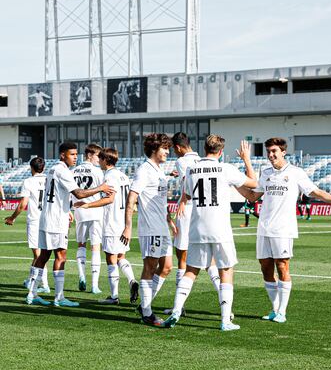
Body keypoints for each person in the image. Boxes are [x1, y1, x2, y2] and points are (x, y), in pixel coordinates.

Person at [238, 137, 331, 323]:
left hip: (283, 229)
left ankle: (282, 312)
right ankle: (275, 310)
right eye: (268, 152)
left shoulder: (295, 173)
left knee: (282, 266)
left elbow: (315, 192)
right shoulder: (265, 172)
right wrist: (231, 182)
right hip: (264, 228)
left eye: (274, 151)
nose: (271, 155)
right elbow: (252, 196)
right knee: (265, 268)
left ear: (283, 152)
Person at [162, 136, 257, 331]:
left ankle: (176, 311)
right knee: (226, 271)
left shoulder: (191, 169)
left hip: (197, 227)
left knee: (191, 270)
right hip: (220, 228)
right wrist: (246, 159)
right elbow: (253, 184)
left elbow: (186, 194)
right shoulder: (226, 168)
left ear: (204, 148)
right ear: (220, 152)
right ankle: (225, 320)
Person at [26, 142, 114, 307]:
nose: (75, 157)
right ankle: (59, 297)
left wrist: (68, 209)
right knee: (61, 256)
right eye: (71, 154)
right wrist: (100, 188)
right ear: (62, 155)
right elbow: (79, 193)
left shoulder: (52, 169)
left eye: (75, 154)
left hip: (47, 217)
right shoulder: (63, 171)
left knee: (43, 256)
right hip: (56, 220)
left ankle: (32, 293)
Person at [120, 133, 176, 326]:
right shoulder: (144, 170)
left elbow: (159, 200)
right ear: (154, 149)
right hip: (150, 228)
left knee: (167, 267)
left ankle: (145, 304)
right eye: (165, 148)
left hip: (162, 227)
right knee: (150, 267)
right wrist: (128, 227)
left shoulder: (159, 170)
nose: (168, 152)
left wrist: (169, 219)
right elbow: (131, 198)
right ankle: (147, 312)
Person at [164, 132, 222, 316]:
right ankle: (225, 302)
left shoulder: (181, 162)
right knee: (210, 260)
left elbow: (185, 184)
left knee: (182, 259)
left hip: (186, 210)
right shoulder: (201, 159)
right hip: (204, 211)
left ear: (178, 148)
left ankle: (178, 307)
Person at [74, 148, 139, 305]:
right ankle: (132, 280)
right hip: (123, 222)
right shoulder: (123, 176)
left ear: (105, 160)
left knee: (111, 258)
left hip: (112, 222)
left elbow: (109, 199)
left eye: (100, 159)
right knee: (121, 256)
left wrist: (88, 205)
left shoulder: (109, 176)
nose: (99, 162)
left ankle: (114, 296)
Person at [5, 157, 49, 292]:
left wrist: (12, 218)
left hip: (35, 220)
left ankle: (43, 285)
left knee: (38, 254)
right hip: (48, 219)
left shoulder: (29, 181)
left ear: (31, 168)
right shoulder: (49, 179)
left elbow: (23, 203)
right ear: (44, 168)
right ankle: (32, 281)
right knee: (41, 254)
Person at [72, 144, 105, 294]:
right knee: (96, 247)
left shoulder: (73, 171)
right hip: (95, 210)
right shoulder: (97, 171)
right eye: (98, 156)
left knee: (81, 245)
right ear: (90, 155)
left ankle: (81, 276)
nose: (100, 159)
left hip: (79, 211)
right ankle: (94, 285)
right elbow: (105, 192)